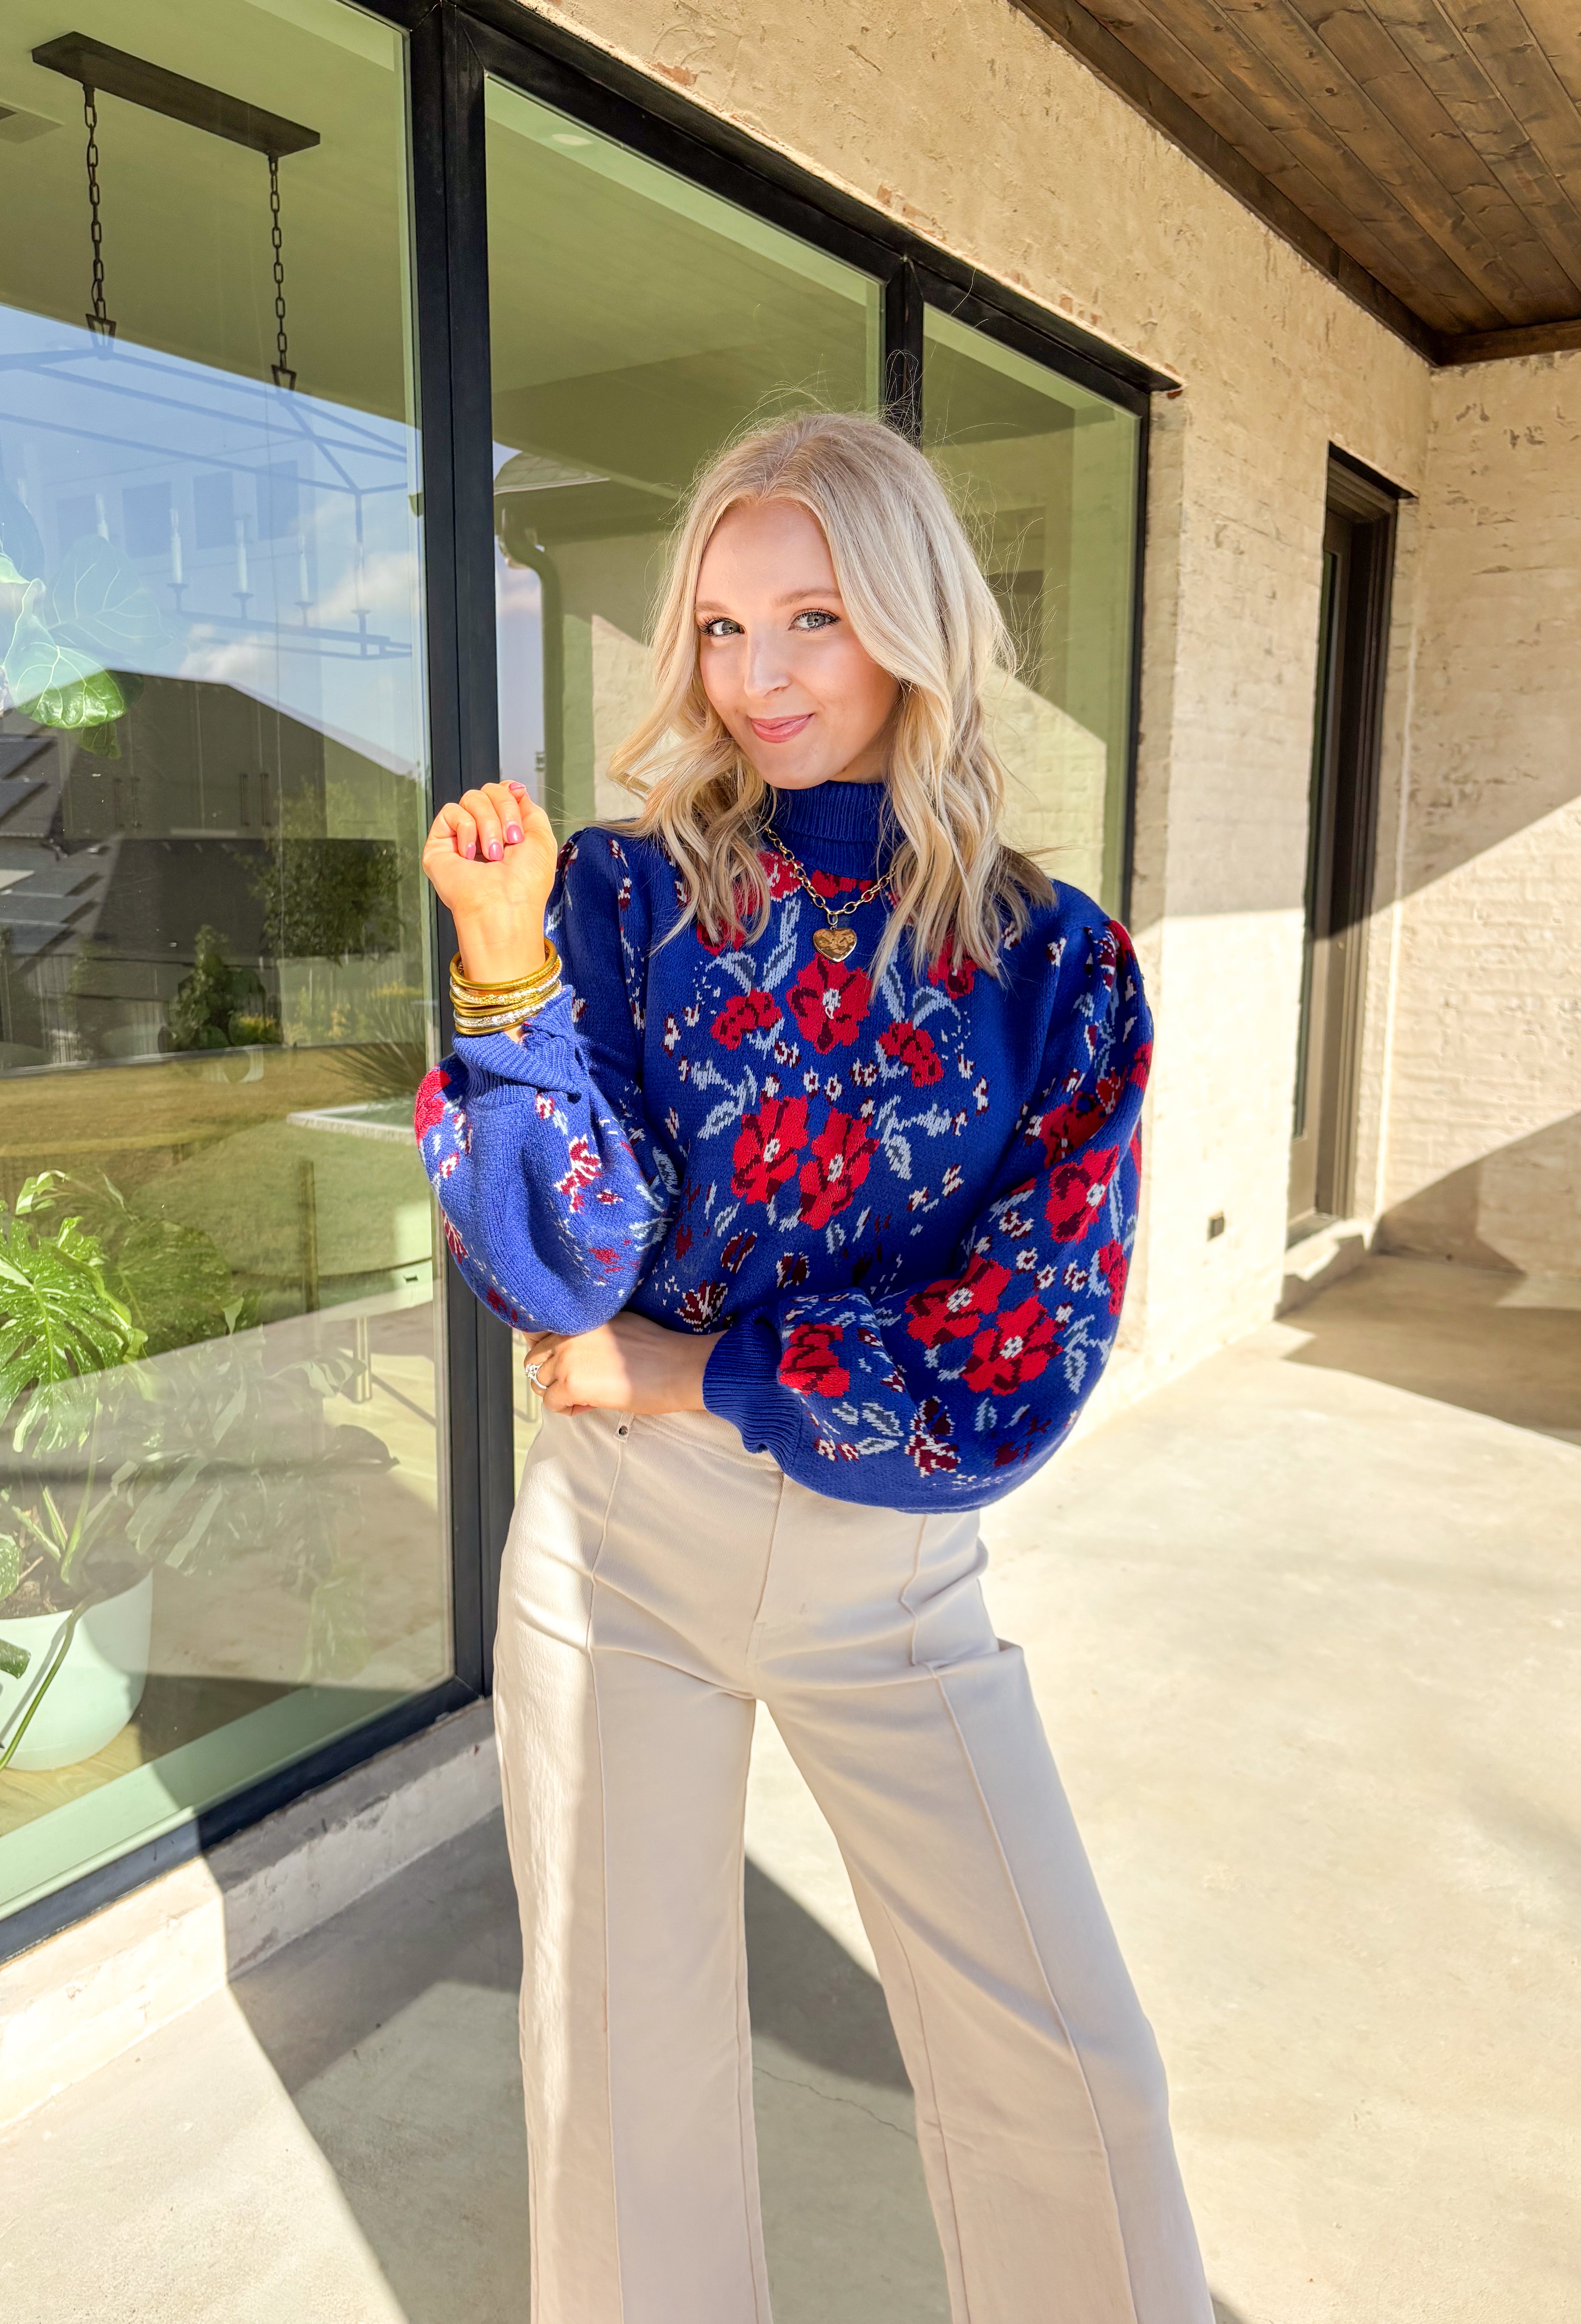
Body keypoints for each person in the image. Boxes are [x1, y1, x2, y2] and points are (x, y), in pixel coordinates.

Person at [416, 411, 1213, 2324]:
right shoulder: (619, 901)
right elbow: (558, 1265)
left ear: (915, 626)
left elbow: (1017, 1358)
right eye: (720, 626)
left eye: (814, 621)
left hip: (890, 1573)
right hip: (617, 1564)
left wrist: (700, 1375)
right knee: (624, 2086)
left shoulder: (1057, 969)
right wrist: (506, 972)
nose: (757, 678)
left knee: (1073, 2074)